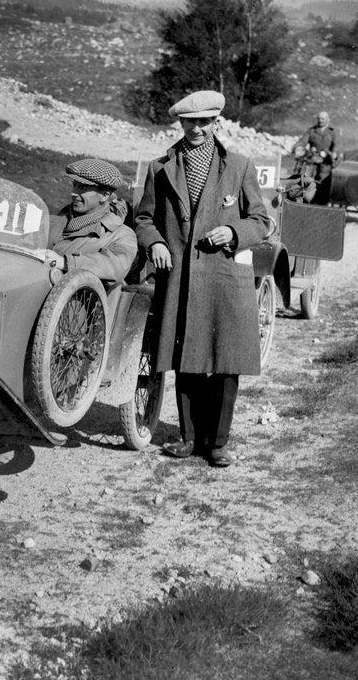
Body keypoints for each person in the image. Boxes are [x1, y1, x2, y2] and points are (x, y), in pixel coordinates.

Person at [134, 90, 270, 468]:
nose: (197, 128)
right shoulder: (160, 168)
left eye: (204, 122)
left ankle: (219, 443)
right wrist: (155, 243)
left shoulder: (239, 165)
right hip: (179, 276)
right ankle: (189, 438)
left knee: (226, 359)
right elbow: (143, 219)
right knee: (186, 356)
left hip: (225, 276)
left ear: (216, 124)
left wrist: (234, 233)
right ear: (180, 123)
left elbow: (261, 220)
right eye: (190, 122)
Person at [43, 158, 137, 288]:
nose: (73, 193)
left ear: (104, 196)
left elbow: (114, 267)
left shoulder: (121, 234)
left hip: (78, 304)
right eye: (74, 185)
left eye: (83, 188)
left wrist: (65, 262)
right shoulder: (53, 220)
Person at [293, 111, 338, 204]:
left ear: (328, 120)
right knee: (308, 182)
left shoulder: (332, 132)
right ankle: (307, 204)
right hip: (312, 162)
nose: (320, 120)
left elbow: (336, 147)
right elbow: (303, 141)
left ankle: (322, 206)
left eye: (323, 119)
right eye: (319, 118)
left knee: (323, 185)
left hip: (325, 164)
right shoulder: (311, 131)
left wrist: (332, 154)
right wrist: (298, 147)